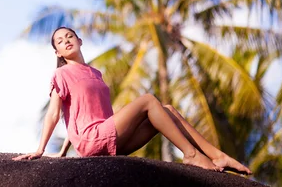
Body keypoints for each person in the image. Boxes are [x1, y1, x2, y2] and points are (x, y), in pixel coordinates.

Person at [13, 27, 252, 175]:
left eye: (69, 36)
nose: (66, 40)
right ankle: (190, 154)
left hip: (111, 140)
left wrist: (64, 152)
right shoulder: (61, 75)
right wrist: (40, 150)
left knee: (167, 110)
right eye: (60, 41)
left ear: (80, 41)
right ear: (58, 53)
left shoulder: (95, 73)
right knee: (148, 100)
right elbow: (56, 114)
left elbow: (78, 114)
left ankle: (216, 155)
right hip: (94, 140)